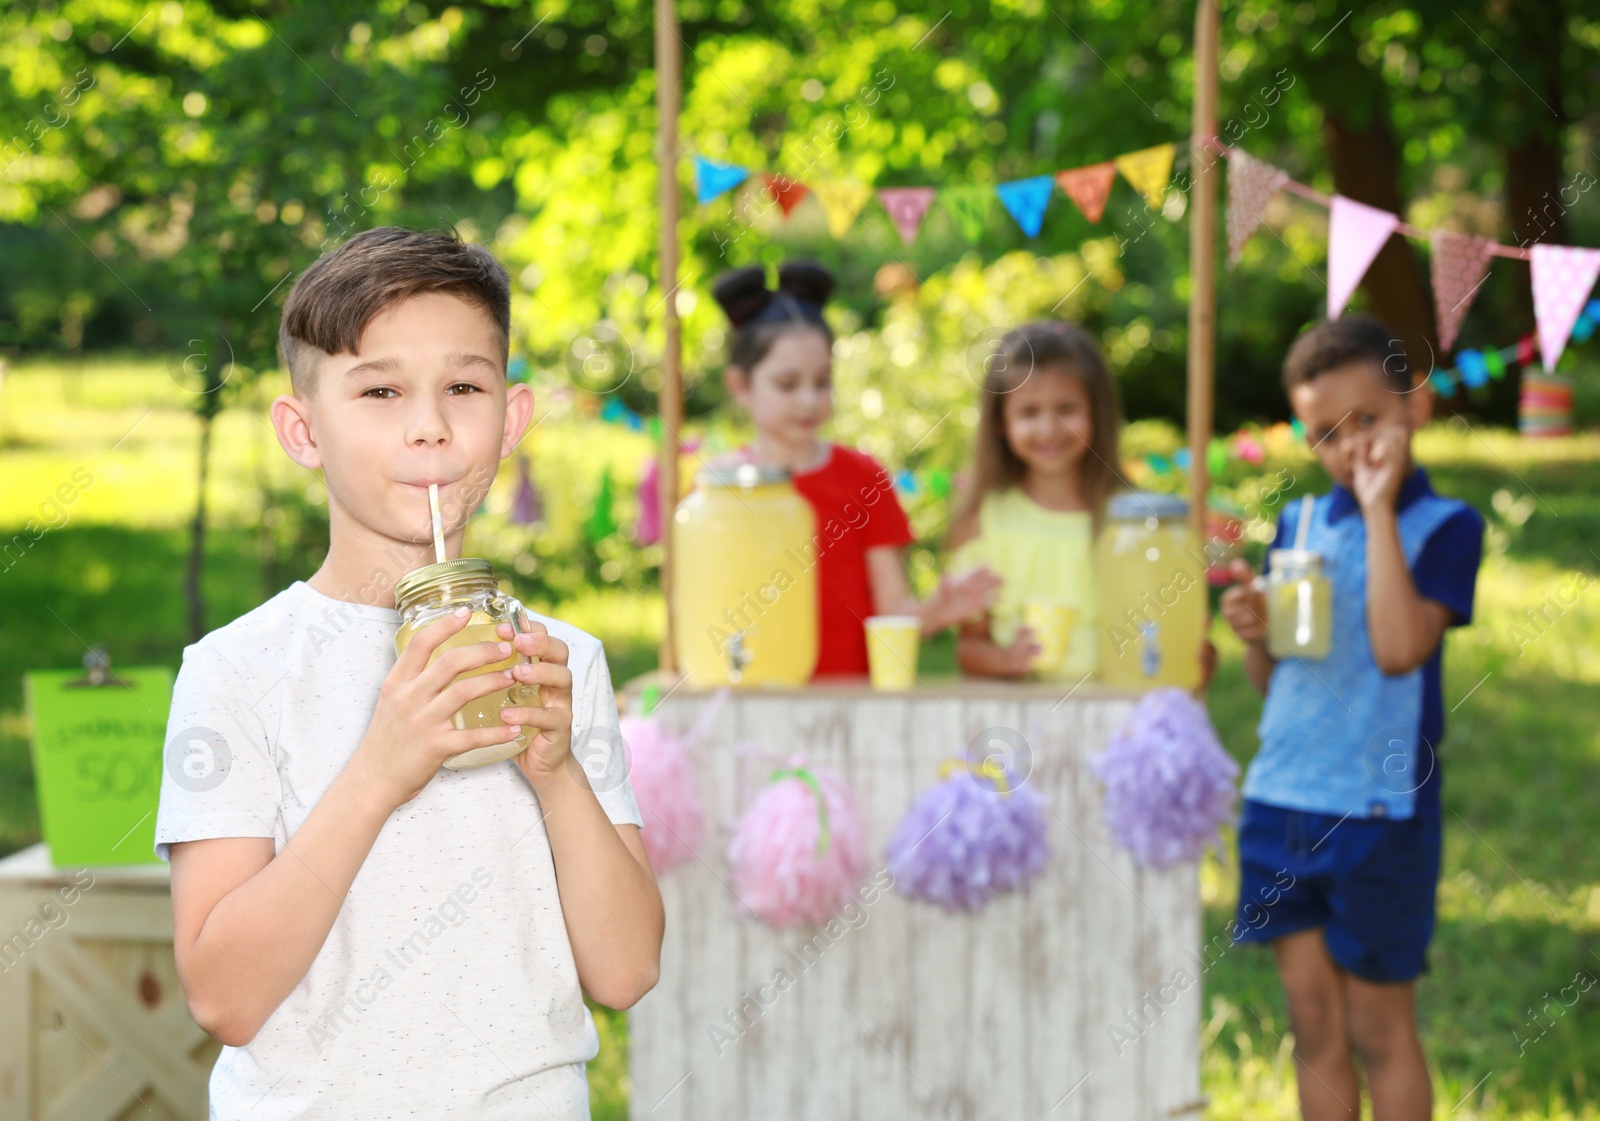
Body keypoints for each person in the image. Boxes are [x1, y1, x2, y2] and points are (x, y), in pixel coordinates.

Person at [154, 226, 664, 1120]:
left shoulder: (561, 660)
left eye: (464, 387)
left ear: (510, 419)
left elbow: (625, 970)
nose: (428, 423)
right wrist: (381, 768)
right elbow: (223, 997)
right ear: (303, 430)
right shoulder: (237, 670)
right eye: (380, 389)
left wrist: (557, 774)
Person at [1219, 314, 1483, 1121]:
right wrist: (1256, 638)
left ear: (1417, 406)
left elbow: (1401, 649)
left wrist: (1375, 512)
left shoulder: (1446, 527)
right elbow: (1280, 682)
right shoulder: (1295, 525)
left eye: (1367, 418)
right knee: (1312, 1020)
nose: (1350, 445)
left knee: (1378, 1024)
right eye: (1326, 432)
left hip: (1378, 813)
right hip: (1284, 799)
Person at [708, 261, 999, 678]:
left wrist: (935, 612)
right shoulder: (721, 489)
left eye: (822, 381)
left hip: (852, 704)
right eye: (788, 384)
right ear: (740, 386)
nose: (808, 400)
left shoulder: (864, 480)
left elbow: (893, 612)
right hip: (752, 700)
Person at [945, 321, 1126, 680]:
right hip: (1021, 724)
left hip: (1122, 722)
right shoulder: (982, 523)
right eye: (1029, 412)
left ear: (1097, 412)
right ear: (1001, 423)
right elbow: (969, 648)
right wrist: (1005, 660)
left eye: (1067, 408)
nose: (1049, 429)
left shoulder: (1132, 521)